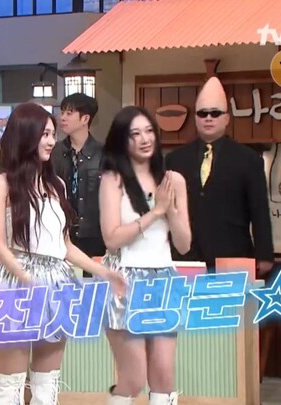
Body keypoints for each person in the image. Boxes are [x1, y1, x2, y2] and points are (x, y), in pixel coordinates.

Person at [0, 102, 126, 404]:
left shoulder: (56, 184)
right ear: (25, 136)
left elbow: (65, 246)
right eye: (44, 134)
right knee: (10, 384)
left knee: (47, 384)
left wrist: (105, 272)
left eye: (52, 134)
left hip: (56, 283)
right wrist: (25, 279)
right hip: (16, 283)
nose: (51, 141)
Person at [98, 106, 191, 405]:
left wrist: (170, 209)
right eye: (135, 134)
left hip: (163, 278)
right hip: (123, 280)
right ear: (122, 140)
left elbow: (184, 244)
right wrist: (156, 212)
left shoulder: (173, 180)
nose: (144, 139)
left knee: (164, 374)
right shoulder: (113, 180)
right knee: (134, 377)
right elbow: (111, 238)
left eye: (149, 131)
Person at [164, 77, 274, 276]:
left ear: (226, 119)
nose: (208, 118)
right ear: (195, 118)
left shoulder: (248, 159)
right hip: (185, 255)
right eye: (202, 113)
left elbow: (259, 210)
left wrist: (264, 254)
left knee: (232, 298)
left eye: (215, 113)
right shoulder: (175, 159)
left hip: (234, 253)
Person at [51, 93, 106, 275]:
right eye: (62, 112)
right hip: (60, 235)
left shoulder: (104, 154)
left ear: (85, 119)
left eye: (69, 113)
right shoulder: (54, 152)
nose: (62, 118)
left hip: (95, 237)